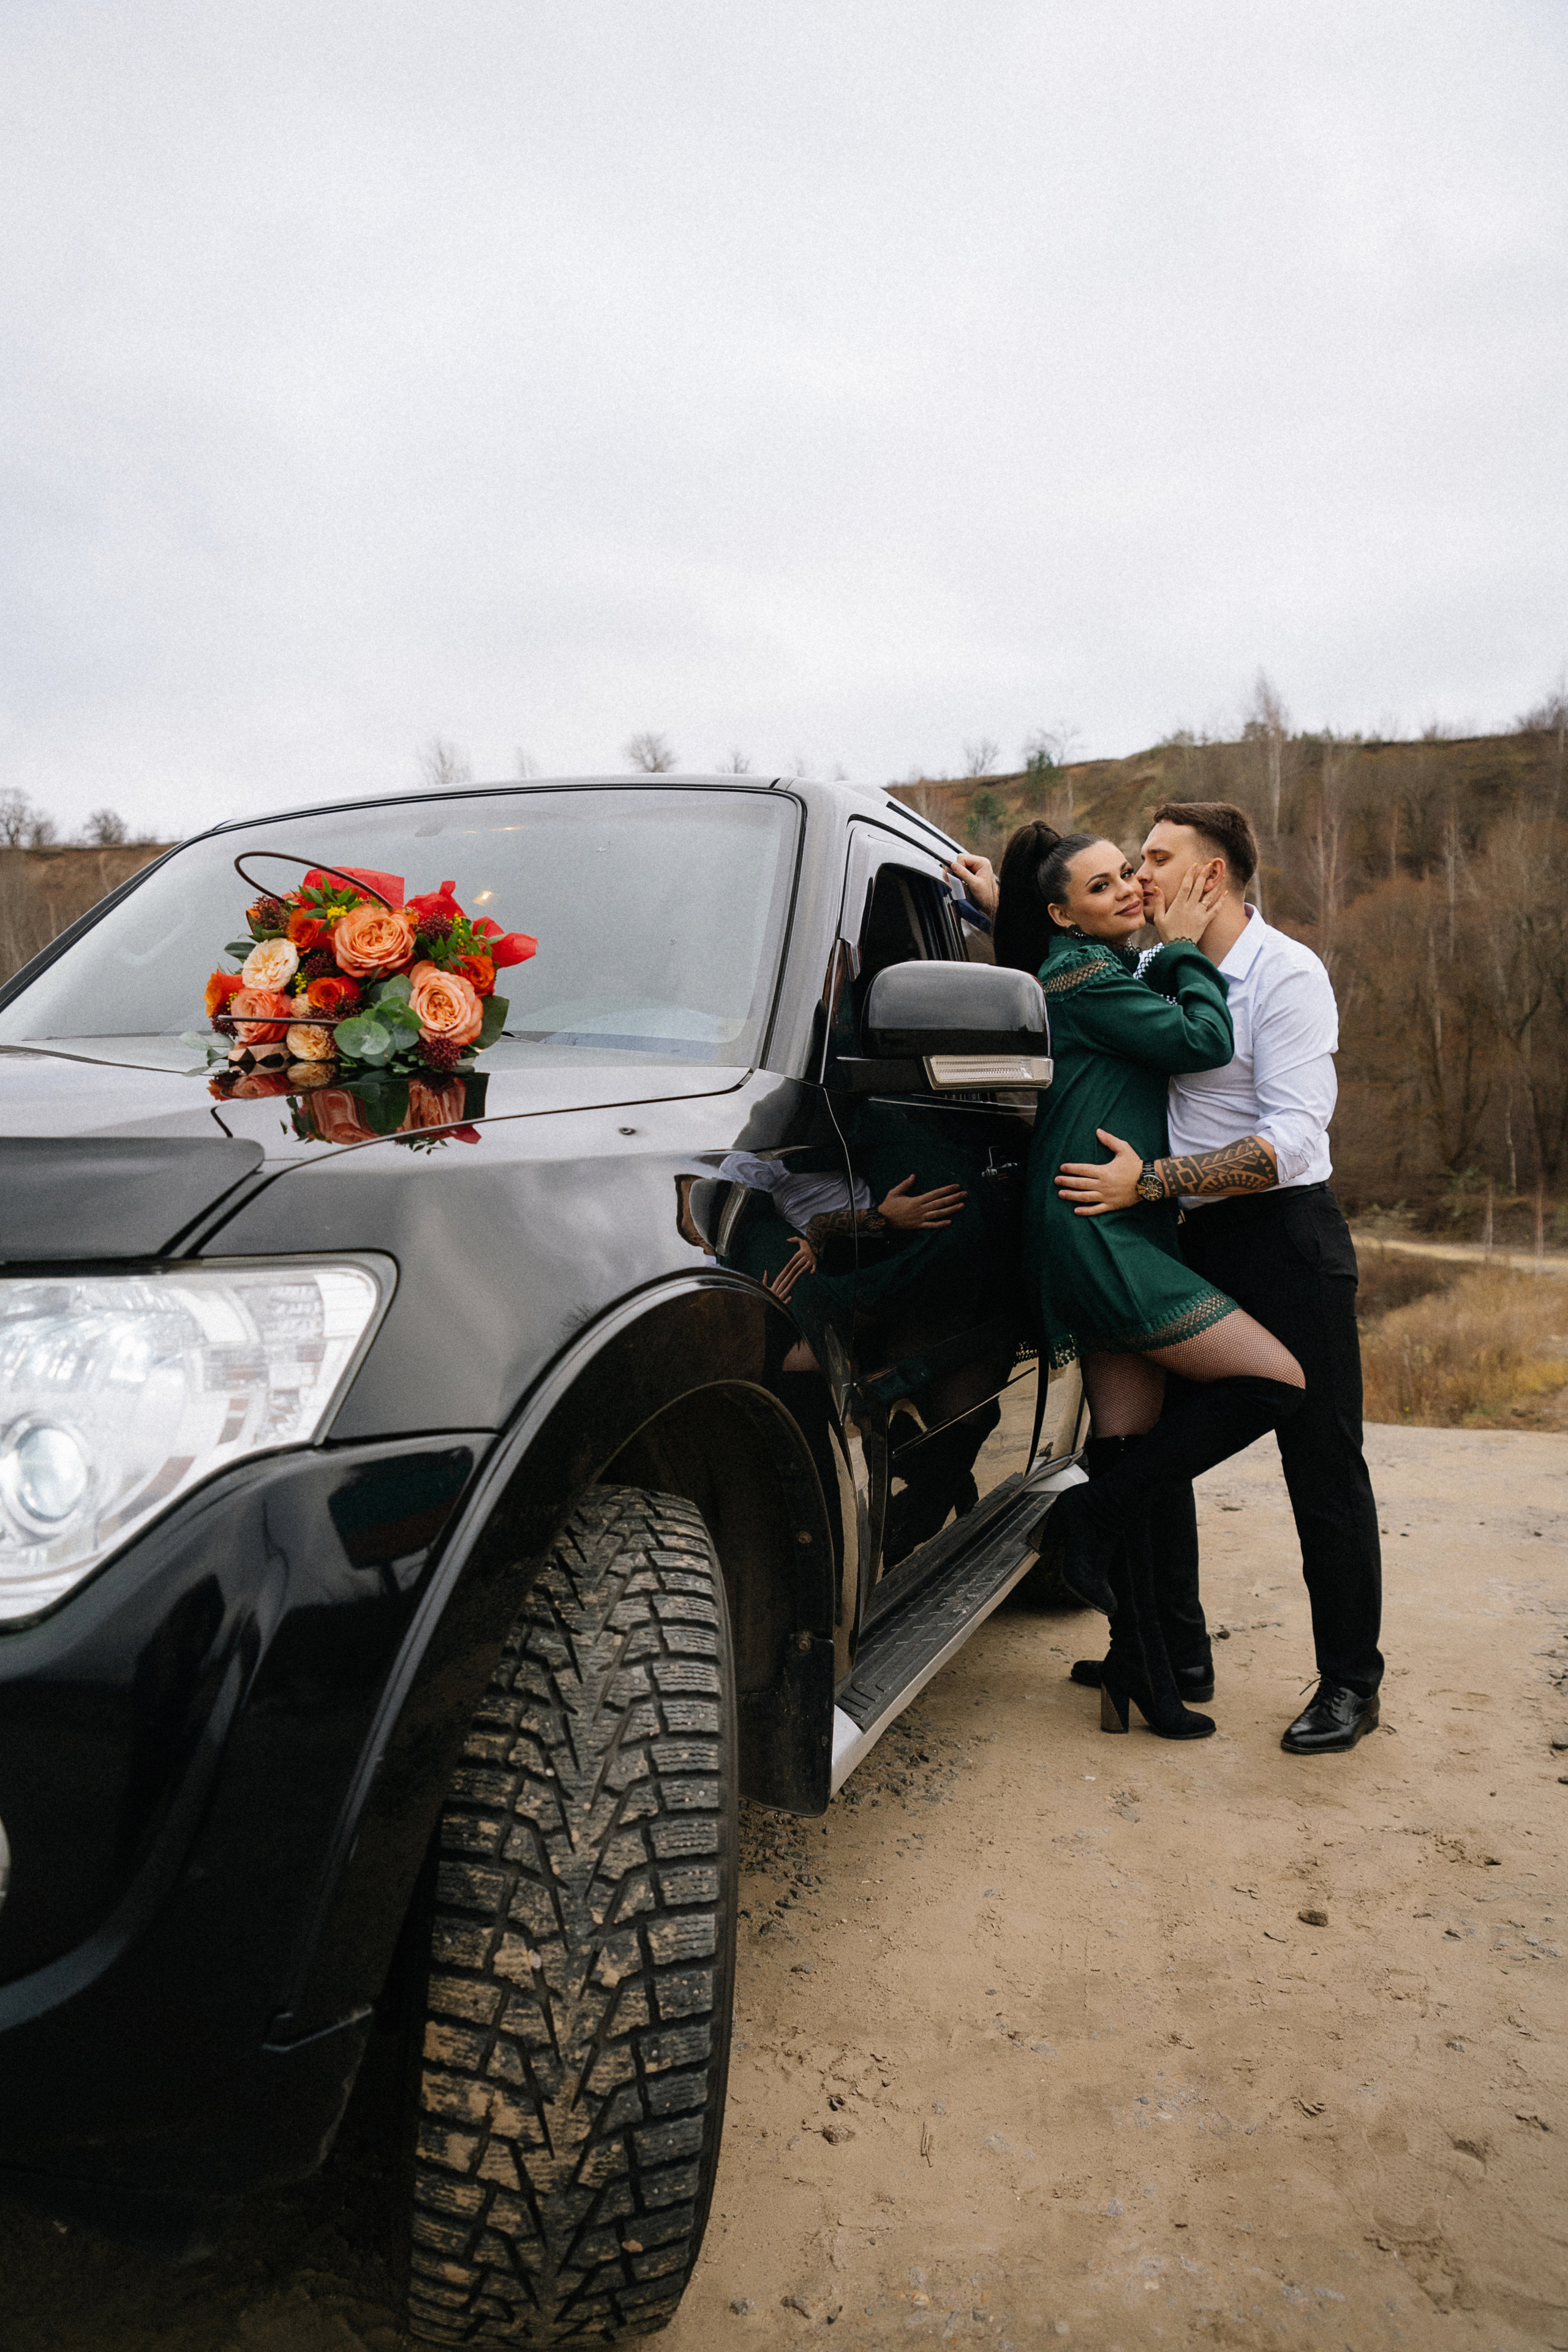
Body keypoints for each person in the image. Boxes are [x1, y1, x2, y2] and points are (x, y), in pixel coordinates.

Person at [950, 824, 1306, 1742]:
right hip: (1098, 1223)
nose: (1131, 890)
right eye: (1104, 886)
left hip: (1116, 1213)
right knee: (1274, 1382)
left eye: (1129, 876)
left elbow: (1103, 968)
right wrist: (1187, 949)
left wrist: (1005, 904)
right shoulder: (1084, 972)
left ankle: (1139, 1672)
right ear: (1065, 914)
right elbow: (1200, 1035)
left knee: (1128, 1439)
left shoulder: (1088, 963)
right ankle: (1084, 1522)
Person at [1046, 801, 1384, 1755]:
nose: (1139, 875)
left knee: (1322, 1464)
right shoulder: (1151, 968)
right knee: (1156, 1449)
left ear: (1216, 876)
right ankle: (1171, 1654)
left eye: (1157, 859)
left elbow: (1292, 1138)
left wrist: (1152, 1179)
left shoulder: (1288, 972)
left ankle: (1352, 1683)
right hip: (1173, 1235)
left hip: (1283, 1238)